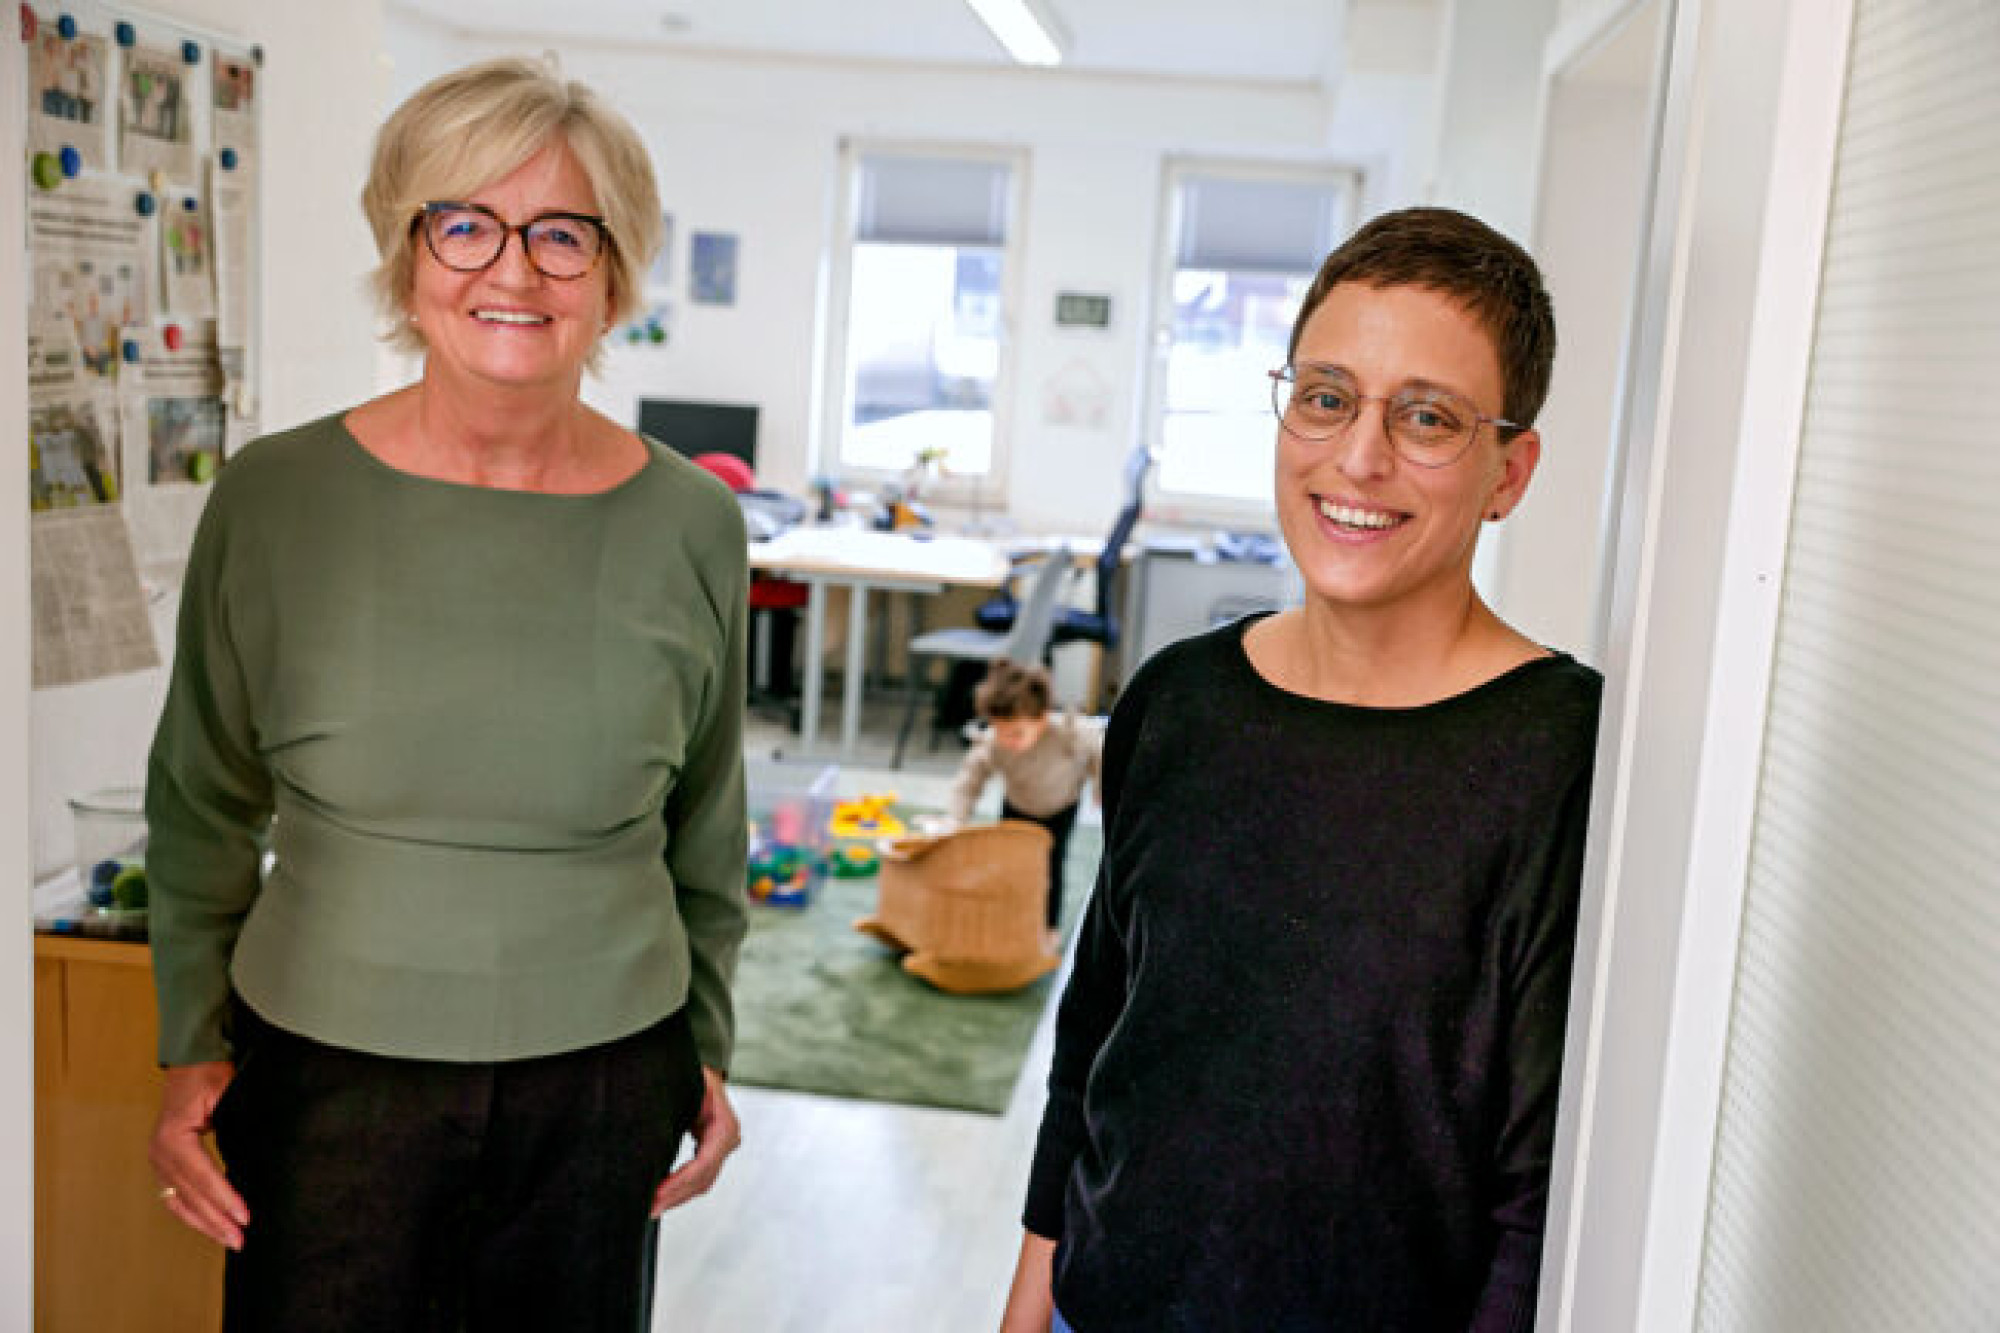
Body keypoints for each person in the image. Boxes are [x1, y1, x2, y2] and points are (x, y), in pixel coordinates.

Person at [144, 58, 749, 1333]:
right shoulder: (274, 498)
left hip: (601, 1084)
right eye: (463, 224)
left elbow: (707, 818)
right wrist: (188, 1038)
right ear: (406, 255)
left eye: (562, 234)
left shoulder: (694, 523)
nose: (513, 272)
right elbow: (200, 795)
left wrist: (707, 1037)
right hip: (323, 1079)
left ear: (615, 272)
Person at [1000, 206, 1603, 1332]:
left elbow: (1538, 1193)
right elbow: (1095, 1037)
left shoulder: (1564, 755)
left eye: (1426, 417)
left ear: (1508, 471)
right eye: (1325, 396)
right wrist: (1029, 1298)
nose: (1357, 457)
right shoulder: (1173, 700)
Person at [945, 658, 1102, 932]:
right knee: (1010, 866)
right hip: (1017, 807)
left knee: (1050, 869)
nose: (1009, 741)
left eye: (1017, 733)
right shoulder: (994, 744)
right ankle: (1009, 919)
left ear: (1041, 719)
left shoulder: (1066, 733)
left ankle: (1047, 929)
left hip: (1059, 809)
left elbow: (1102, 753)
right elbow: (969, 781)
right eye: (1002, 732)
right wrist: (956, 818)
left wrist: (1102, 788)